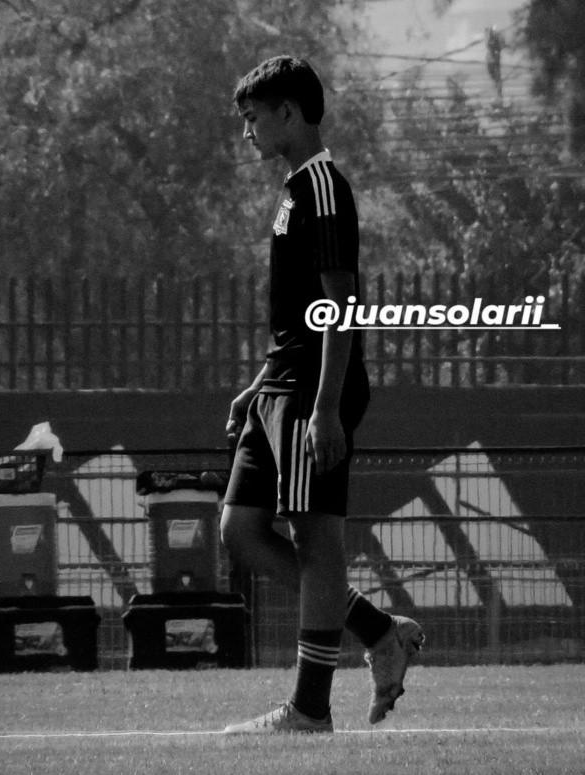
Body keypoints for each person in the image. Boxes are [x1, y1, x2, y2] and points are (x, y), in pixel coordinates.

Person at [220, 55, 424, 734]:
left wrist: (326, 408)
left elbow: (342, 305)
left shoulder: (325, 187)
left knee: (316, 542)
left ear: (290, 113)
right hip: (278, 385)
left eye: (255, 117)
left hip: (313, 390)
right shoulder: (290, 190)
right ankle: (377, 629)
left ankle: (309, 707)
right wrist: (257, 385)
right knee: (241, 530)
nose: (248, 130)